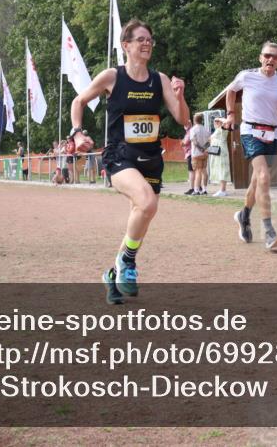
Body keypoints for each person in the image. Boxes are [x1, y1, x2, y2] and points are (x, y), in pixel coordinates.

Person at [69, 19, 190, 299]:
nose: (147, 43)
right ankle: (127, 262)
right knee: (146, 202)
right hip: (120, 156)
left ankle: (113, 273)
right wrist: (77, 133)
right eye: (141, 39)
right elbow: (78, 102)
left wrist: (180, 96)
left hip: (150, 158)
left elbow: (183, 118)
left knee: (144, 213)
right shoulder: (112, 76)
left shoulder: (158, 79)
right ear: (126, 45)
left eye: (150, 40)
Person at [224, 41, 277, 250]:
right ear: (260, 57)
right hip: (250, 131)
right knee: (264, 177)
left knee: (257, 182)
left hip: (273, 133)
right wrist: (230, 114)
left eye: (274, 57)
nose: (270, 59)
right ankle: (269, 232)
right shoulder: (247, 76)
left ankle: (243, 216)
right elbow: (230, 91)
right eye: (267, 55)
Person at [208, 116, 231, 197]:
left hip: (221, 151)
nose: (216, 123)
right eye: (215, 122)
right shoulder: (216, 130)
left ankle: (223, 190)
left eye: (217, 122)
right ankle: (221, 189)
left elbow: (227, 122)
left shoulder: (223, 128)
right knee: (218, 169)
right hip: (216, 152)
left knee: (222, 169)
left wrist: (219, 119)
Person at [189, 113, 210, 195]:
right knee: (204, 171)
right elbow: (209, 141)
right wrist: (204, 148)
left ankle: (196, 190)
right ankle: (204, 189)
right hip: (205, 153)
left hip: (196, 153)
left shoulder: (193, 130)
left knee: (198, 171)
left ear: (194, 120)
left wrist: (200, 148)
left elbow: (194, 141)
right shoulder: (206, 129)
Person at [181, 123, 195, 195]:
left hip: (190, 153)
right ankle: (199, 186)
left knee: (191, 171)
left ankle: (192, 188)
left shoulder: (189, 132)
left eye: (186, 124)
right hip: (193, 153)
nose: (185, 126)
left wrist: (182, 142)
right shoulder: (191, 131)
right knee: (197, 171)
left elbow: (185, 142)